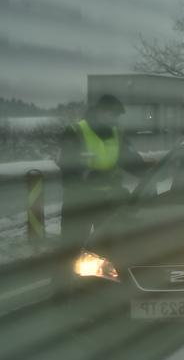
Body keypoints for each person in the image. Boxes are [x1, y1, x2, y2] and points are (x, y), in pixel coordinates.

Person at [57, 95, 146, 281]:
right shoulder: (75, 131)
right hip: (78, 201)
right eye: (112, 115)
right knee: (71, 249)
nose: (115, 120)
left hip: (107, 201)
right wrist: (90, 175)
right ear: (100, 112)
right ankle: (61, 290)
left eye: (117, 116)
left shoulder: (117, 134)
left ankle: (101, 288)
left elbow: (130, 161)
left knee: (106, 249)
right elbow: (67, 162)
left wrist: (151, 173)